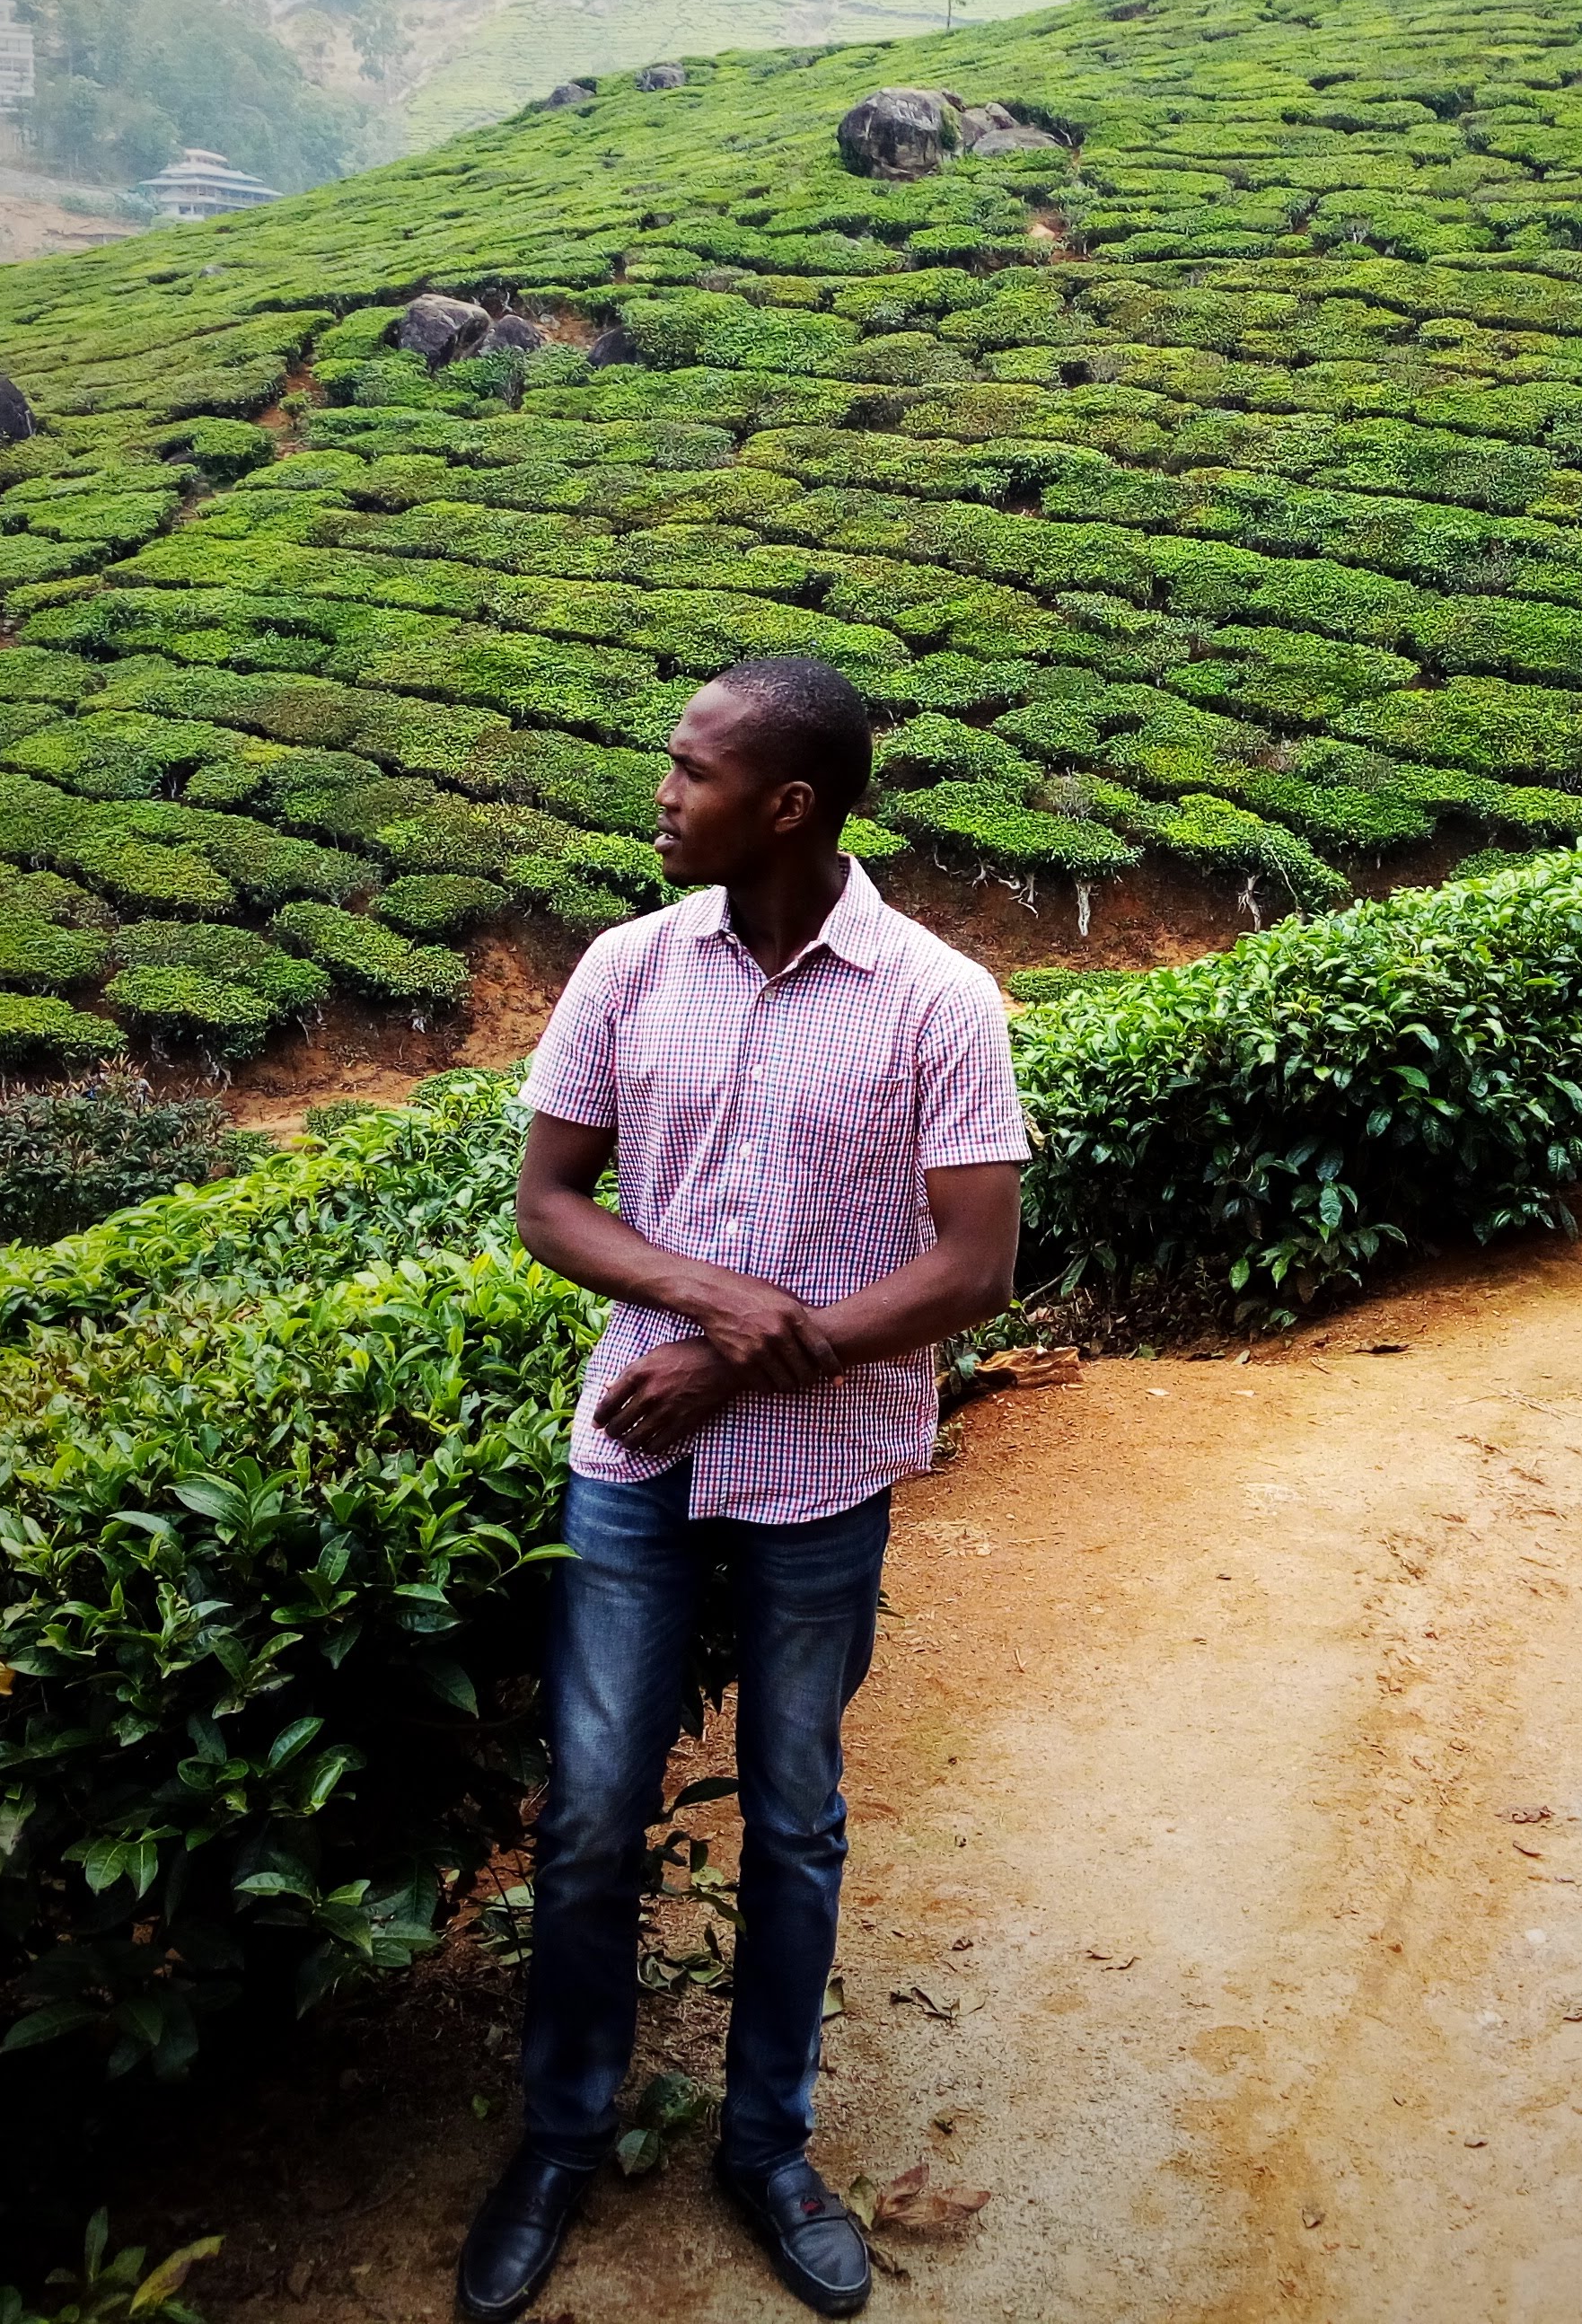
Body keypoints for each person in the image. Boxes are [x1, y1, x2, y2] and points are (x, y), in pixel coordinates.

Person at [453, 656, 1029, 2322]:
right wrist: (710, 1303)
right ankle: (561, 2134)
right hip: (635, 1454)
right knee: (588, 1817)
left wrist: (743, 1363)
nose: (661, 792)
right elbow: (551, 1201)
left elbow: (973, 1266)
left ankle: (766, 2146)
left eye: (690, 772)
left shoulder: (939, 999)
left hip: (825, 1472)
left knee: (795, 1817)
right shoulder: (629, 967)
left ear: (787, 805)